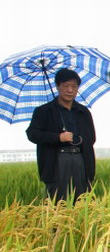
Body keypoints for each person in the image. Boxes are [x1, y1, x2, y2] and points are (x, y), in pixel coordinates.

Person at [26, 68, 96, 201]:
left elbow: (91, 138)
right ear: (57, 86)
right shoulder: (44, 111)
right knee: (58, 201)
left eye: (74, 86)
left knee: (83, 200)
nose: (70, 90)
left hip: (80, 159)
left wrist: (79, 139)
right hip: (56, 160)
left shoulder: (83, 112)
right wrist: (58, 137)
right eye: (66, 86)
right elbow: (32, 134)